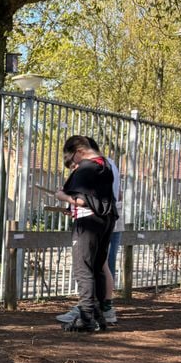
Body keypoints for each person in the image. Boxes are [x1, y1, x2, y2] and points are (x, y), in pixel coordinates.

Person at [53, 135, 118, 332]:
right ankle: (99, 317)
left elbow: (81, 200)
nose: (73, 163)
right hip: (105, 220)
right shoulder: (106, 166)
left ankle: (87, 317)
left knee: (83, 268)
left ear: (79, 152)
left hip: (88, 223)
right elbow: (101, 198)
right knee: (97, 266)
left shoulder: (87, 167)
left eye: (73, 159)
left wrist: (62, 196)